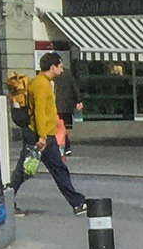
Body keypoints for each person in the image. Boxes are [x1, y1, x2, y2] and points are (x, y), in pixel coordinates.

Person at [16, 51, 93, 214]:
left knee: (46, 169)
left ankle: (77, 202)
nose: (62, 69)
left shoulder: (40, 82)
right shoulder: (42, 85)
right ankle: (77, 202)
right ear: (52, 67)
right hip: (41, 136)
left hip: (42, 134)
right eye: (60, 66)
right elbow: (39, 112)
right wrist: (43, 136)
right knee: (28, 170)